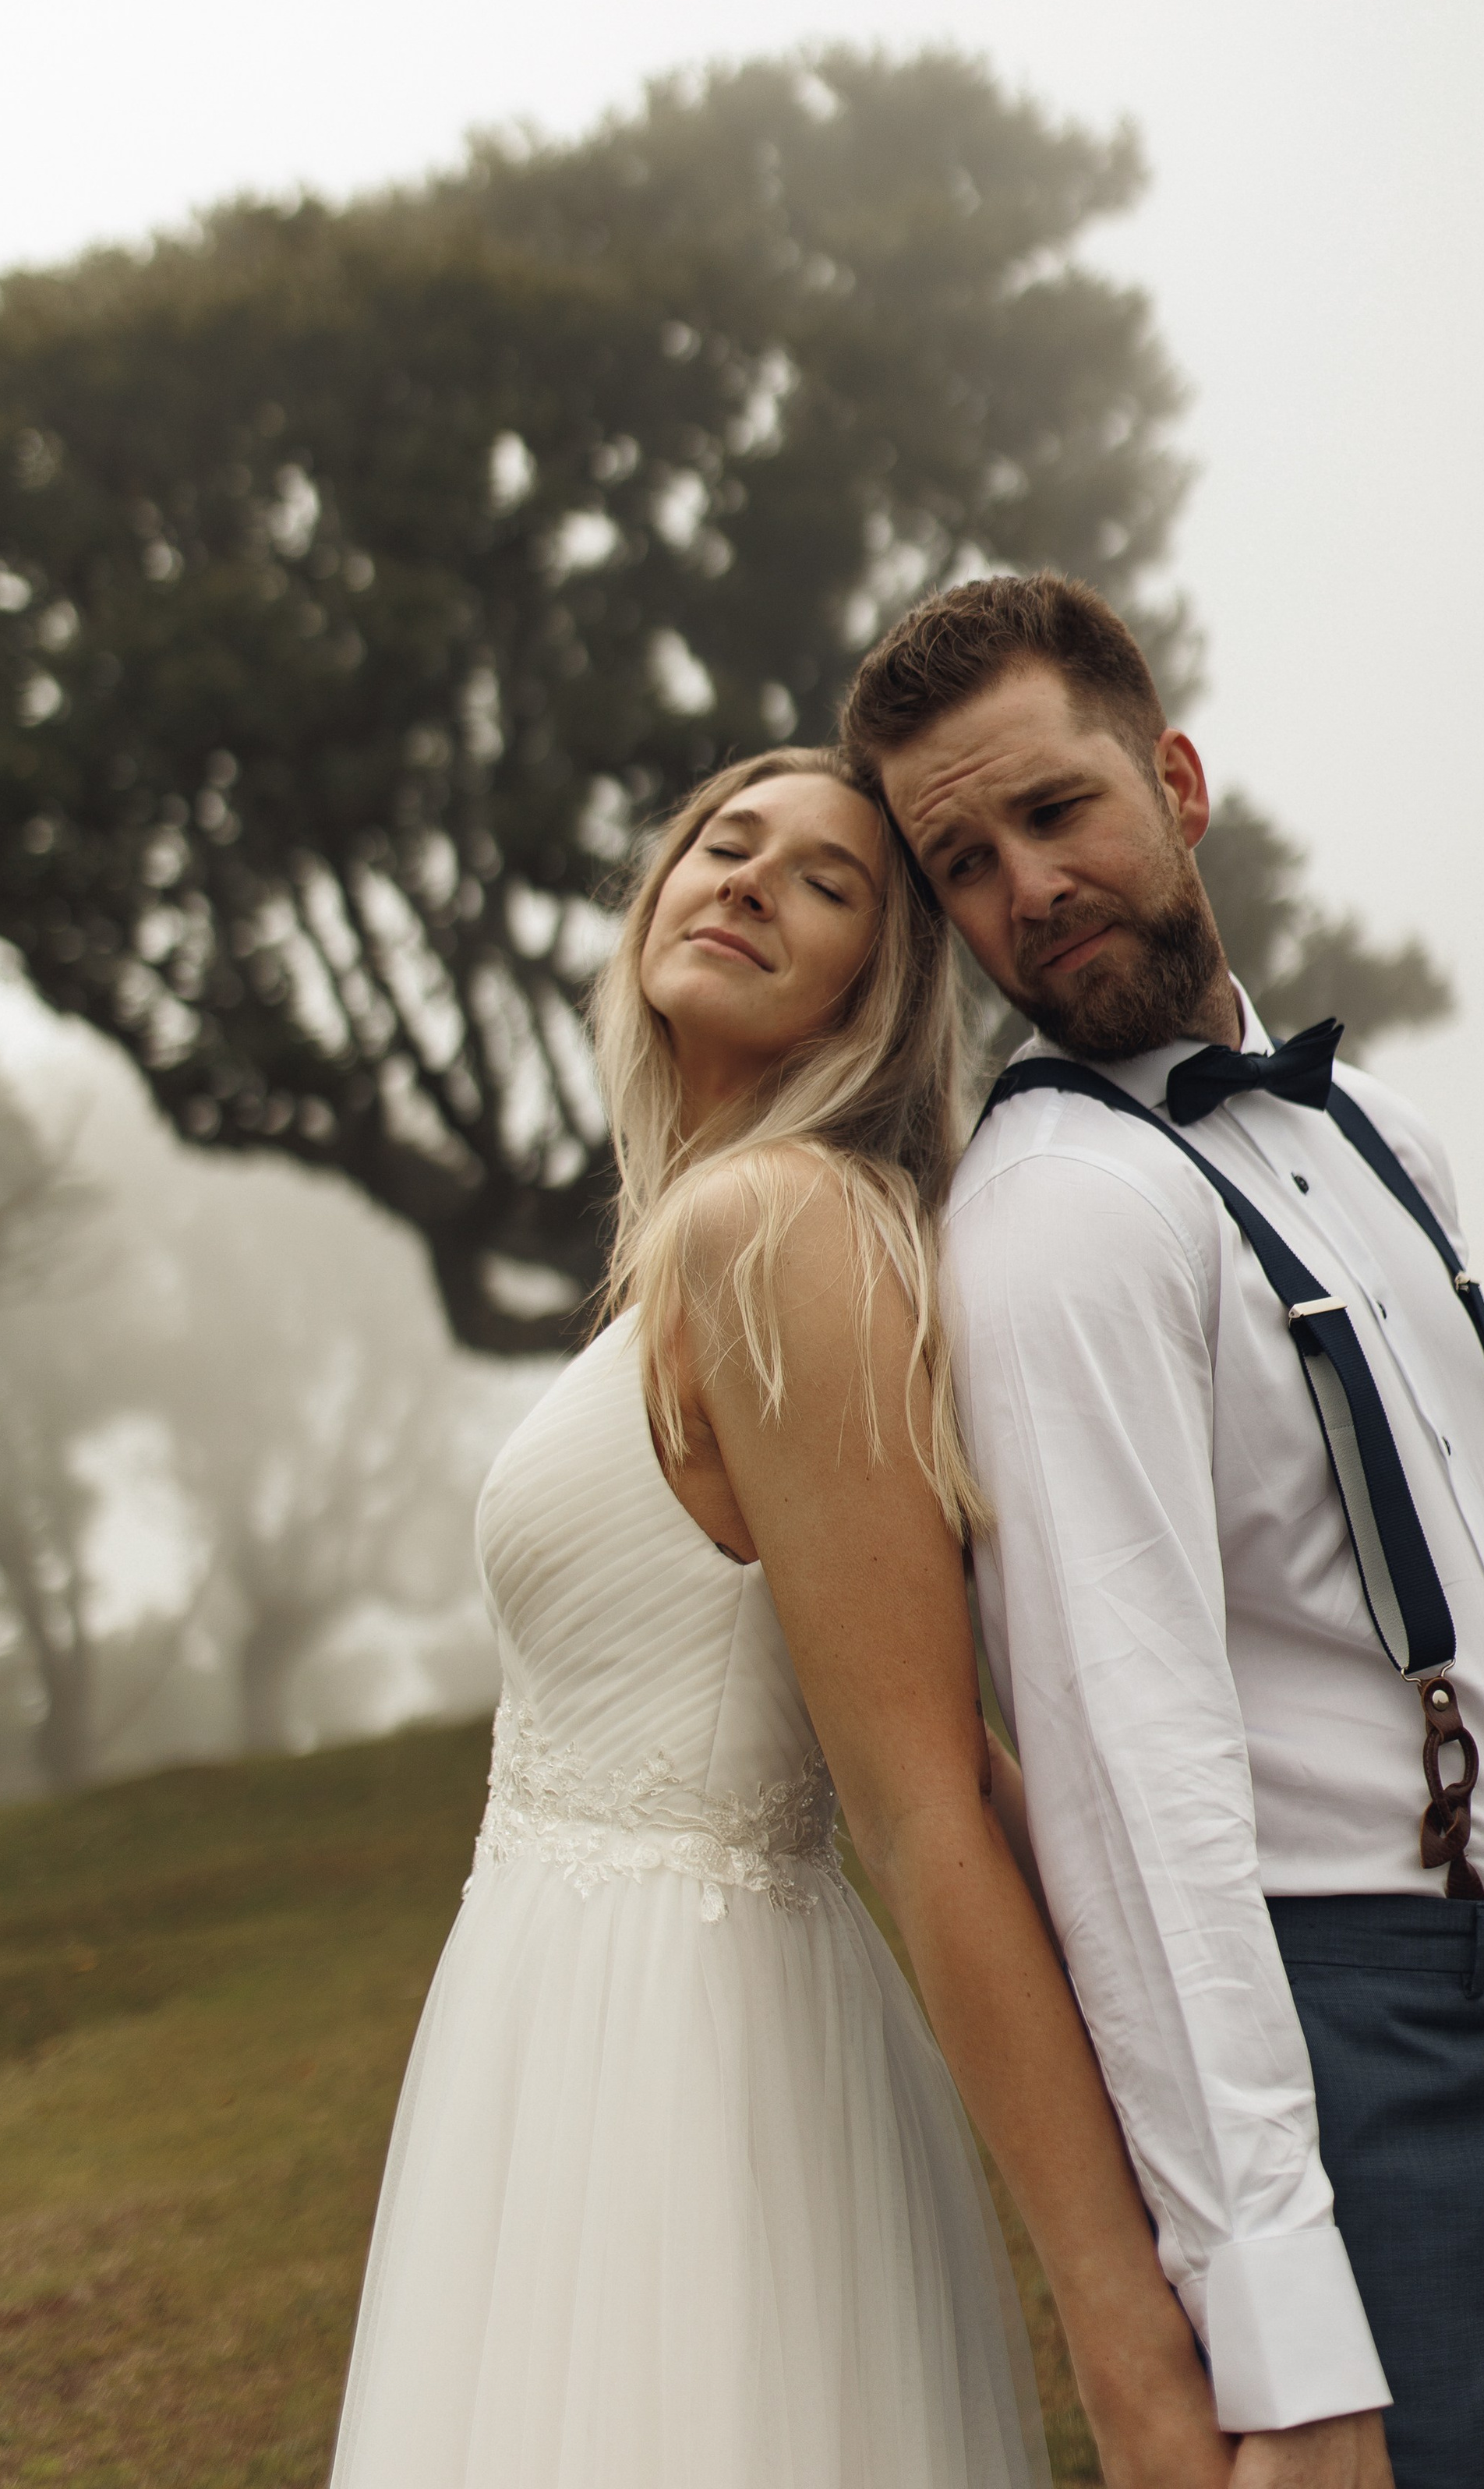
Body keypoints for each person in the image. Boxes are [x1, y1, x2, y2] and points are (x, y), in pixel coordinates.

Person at [328, 744, 1238, 2489]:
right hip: (549, 2023)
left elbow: (927, 1792)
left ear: (872, 987)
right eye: (722, 846)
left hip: (688, 2048)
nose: (746, 881)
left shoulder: (780, 1228)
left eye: (822, 883)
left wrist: (1126, 2311)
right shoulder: (690, 1233)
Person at [842, 577, 1484, 2489]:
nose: (1025, 888)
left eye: (1055, 812)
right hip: (1335, 2046)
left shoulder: (1383, 1142)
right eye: (960, 861)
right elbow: (1126, 1798)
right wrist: (1281, 2343)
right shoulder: (1056, 1223)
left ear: (1172, 781)